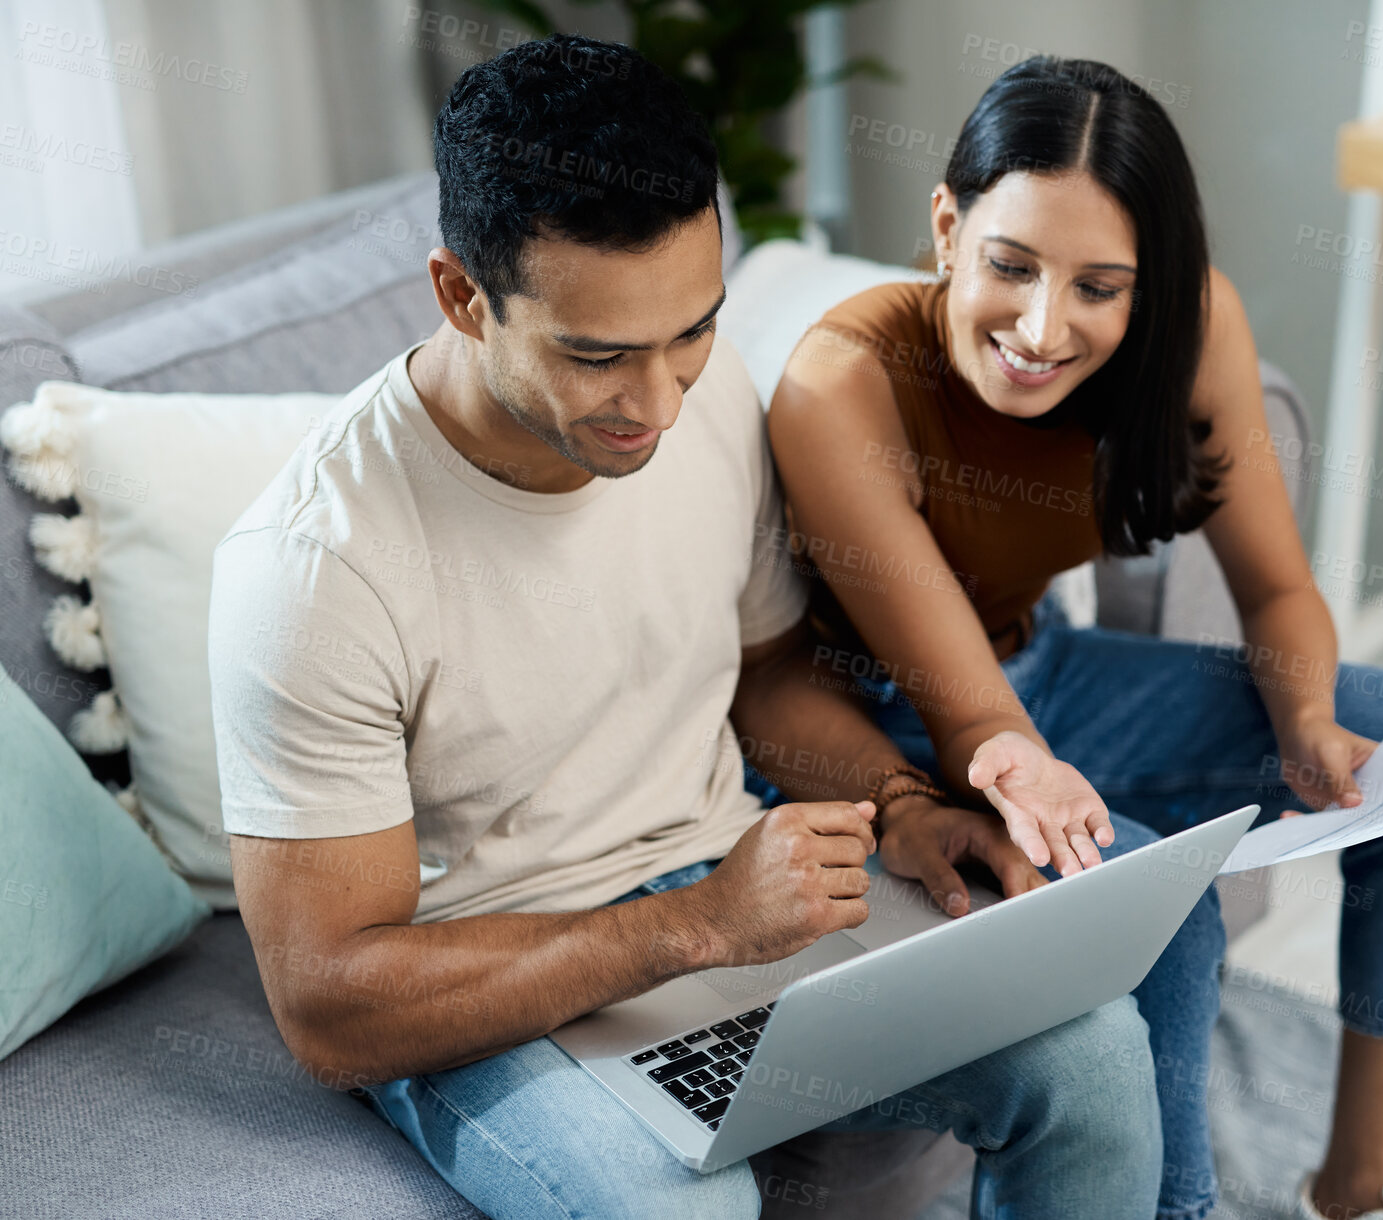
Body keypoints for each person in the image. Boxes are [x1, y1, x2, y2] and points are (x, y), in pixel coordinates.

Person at [206, 35, 1166, 1220]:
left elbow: (764, 679)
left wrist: (906, 805)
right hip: (498, 992)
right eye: (597, 354)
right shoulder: (315, 569)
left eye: (691, 330)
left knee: (1089, 1051)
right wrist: (692, 925)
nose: (658, 404)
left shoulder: (705, 403)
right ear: (462, 294)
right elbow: (329, 1005)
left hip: (721, 890)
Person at [765, 56, 1383, 1220]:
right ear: (947, 227)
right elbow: (968, 715)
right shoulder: (840, 384)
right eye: (1009, 266)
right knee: (1160, 899)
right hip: (875, 724)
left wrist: (1305, 720)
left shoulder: (1190, 330)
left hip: (1039, 670)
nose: (1042, 327)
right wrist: (1013, 764)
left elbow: (1275, 592)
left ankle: (1361, 1184)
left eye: (1097, 287)